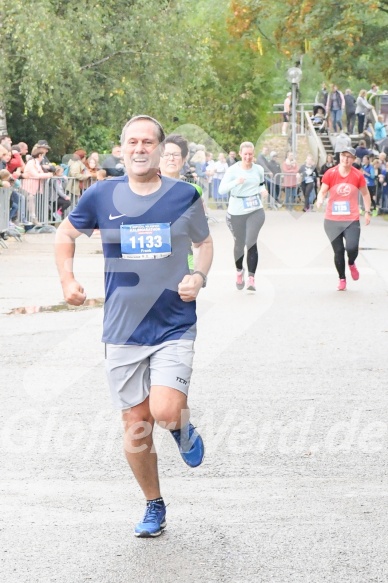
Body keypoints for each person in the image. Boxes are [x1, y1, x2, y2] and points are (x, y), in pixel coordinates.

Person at [55, 115, 213, 538]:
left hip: (173, 322)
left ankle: (180, 426)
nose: (140, 148)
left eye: (148, 142)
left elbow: (204, 244)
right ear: (121, 148)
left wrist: (198, 277)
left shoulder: (184, 195)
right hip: (122, 328)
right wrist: (68, 280)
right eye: (132, 142)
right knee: (135, 421)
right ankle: (153, 504)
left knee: (162, 411)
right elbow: (64, 235)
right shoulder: (101, 195)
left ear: (162, 150)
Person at [316, 147, 372, 291]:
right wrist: (320, 200)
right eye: (343, 155)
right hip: (332, 220)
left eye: (348, 157)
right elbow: (322, 191)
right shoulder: (330, 173)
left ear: (353, 159)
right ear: (339, 156)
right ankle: (342, 279)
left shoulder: (358, 175)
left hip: (351, 219)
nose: (345, 159)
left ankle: (351, 262)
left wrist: (367, 211)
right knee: (339, 251)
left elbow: (365, 194)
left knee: (351, 247)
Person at [218, 141, 267, 292]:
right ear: (240, 154)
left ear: (253, 154)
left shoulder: (258, 169)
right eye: (245, 154)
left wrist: (263, 191)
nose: (248, 157)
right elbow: (221, 190)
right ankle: (239, 271)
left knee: (251, 242)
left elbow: (260, 184)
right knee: (239, 244)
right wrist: (235, 182)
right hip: (236, 211)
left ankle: (251, 278)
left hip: (255, 210)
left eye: (250, 154)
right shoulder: (233, 170)